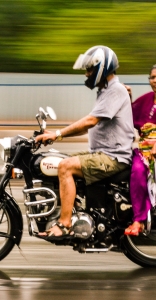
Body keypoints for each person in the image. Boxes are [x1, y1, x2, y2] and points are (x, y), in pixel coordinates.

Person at [35, 45, 135, 241]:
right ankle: (73, 213)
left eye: (90, 69)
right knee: (58, 161)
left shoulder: (115, 90)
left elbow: (90, 121)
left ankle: (64, 224)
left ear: (102, 68)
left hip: (113, 157)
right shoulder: (106, 91)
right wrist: (57, 135)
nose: (87, 74)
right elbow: (87, 126)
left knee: (65, 167)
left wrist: (57, 134)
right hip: (102, 154)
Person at [124, 65, 156, 236]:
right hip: (144, 153)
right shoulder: (145, 100)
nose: (155, 80)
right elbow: (129, 117)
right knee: (136, 170)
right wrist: (127, 98)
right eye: (152, 77)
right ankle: (139, 220)